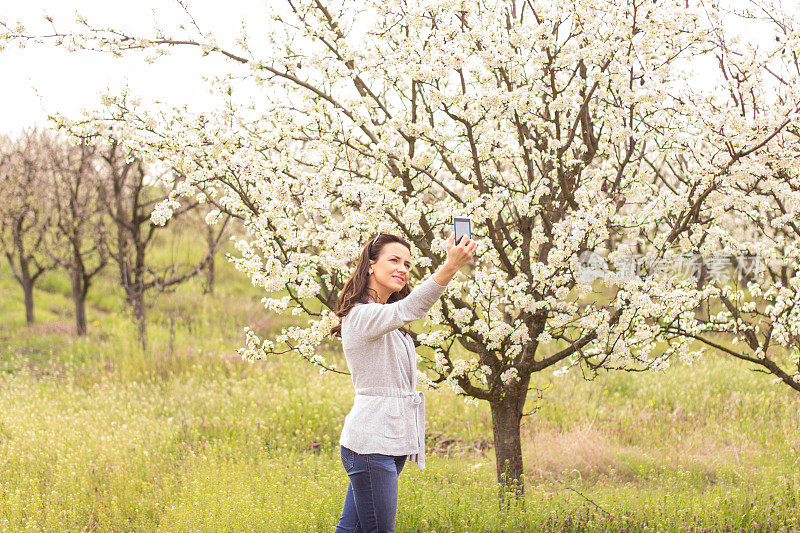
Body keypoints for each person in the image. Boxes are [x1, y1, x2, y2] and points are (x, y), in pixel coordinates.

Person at [330, 231, 477, 533]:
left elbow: (402, 311)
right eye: (394, 260)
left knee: (351, 530)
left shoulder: (385, 318)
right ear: (370, 265)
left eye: (408, 264)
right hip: (371, 443)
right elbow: (410, 308)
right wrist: (450, 266)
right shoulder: (361, 315)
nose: (402, 269)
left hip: (389, 439)